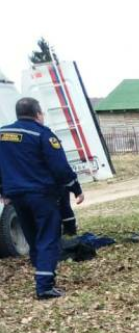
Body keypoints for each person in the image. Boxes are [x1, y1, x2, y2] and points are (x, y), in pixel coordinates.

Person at [0, 97, 83, 300]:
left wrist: (3, 191)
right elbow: (60, 167)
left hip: (16, 196)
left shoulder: (2, 134)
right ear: (38, 114)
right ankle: (44, 286)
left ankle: (42, 272)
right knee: (48, 237)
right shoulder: (42, 134)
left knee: (33, 237)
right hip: (41, 195)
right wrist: (75, 187)